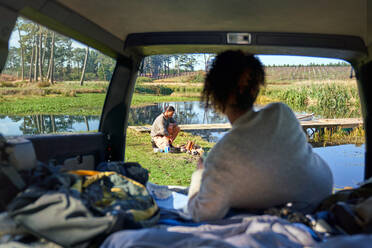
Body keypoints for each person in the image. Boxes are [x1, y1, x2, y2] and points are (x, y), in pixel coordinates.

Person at [187, 50, 333, 222]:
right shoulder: (282, 113)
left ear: (215, 95)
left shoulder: (221, 155)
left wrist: (200, 175)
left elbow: (202, 213)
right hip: (323, 192)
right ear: (255, 89)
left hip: (303, 207)